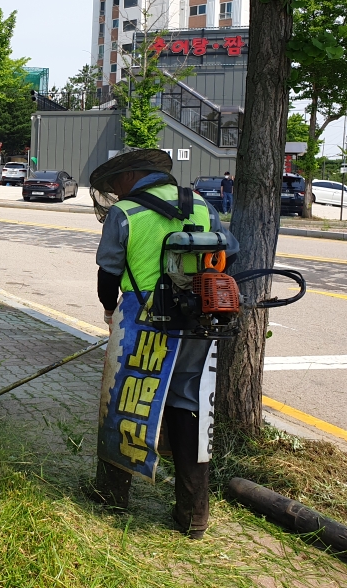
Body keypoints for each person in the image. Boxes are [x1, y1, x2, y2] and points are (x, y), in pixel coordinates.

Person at [88, 149, 238, 540]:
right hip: (196, 319)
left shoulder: (127, 213)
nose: (114, 191)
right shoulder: (203, 205)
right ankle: (193, 515)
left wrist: (109, 311)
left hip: (142, 319)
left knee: (126, 400)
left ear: (134, 175)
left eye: (116, 183)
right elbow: (230, 251)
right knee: (188, 404)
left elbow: (109, 272)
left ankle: (111, 496)